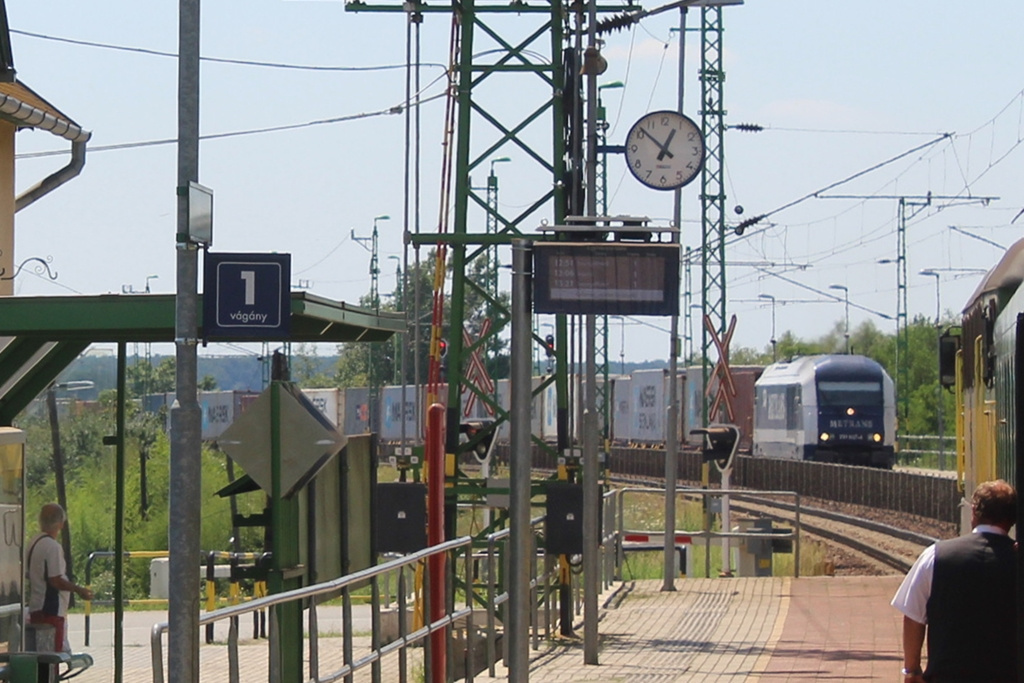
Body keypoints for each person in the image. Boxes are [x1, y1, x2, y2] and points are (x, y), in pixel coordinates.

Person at [891, 479, 1017, 682]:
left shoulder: (936, 555)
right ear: (1012, 518)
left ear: (974, 512)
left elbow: (913, 614)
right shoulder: (1016, 559)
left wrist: (912, 670)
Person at [25, 503, 92, 653]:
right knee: (52, 655)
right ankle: (51, 677)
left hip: (36, 605)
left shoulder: (33, 543)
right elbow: (55, 579)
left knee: (40, 653)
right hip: (51, 610)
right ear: (60, 524)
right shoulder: (53, 547)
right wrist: (78, 589)